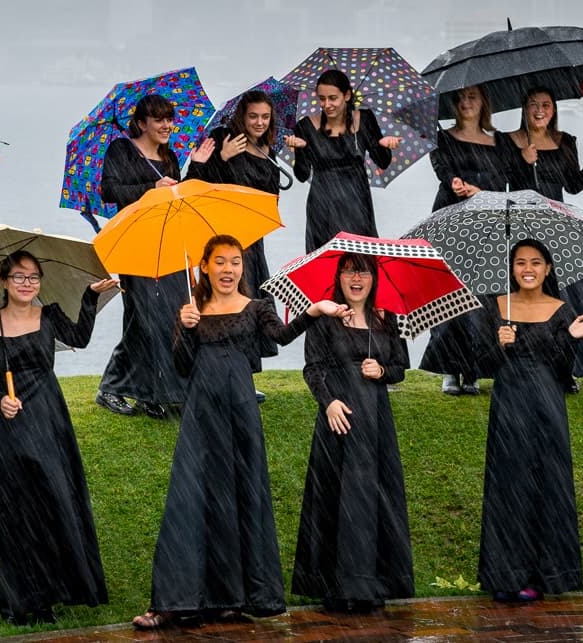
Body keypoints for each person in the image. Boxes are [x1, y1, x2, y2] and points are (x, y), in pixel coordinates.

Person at [133, 235, 346, 629]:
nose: (228, 269)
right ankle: (175, 600)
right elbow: (182, 367)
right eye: (220, 261)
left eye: (235, 261)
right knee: (189, 498)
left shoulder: (256, 307)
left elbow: (281, 336)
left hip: (241, 415)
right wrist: (186, 328)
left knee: (239, 496)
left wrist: (314, 311)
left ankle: (230, 597)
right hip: (201, 416)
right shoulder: (192, 310)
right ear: (204, 267)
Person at [0, 252, 120, 624]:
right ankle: (19, 599)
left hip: (50, 417)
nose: (27, 284)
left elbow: (80, 338)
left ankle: (50, 595)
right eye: (19, 277)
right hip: (13, 421)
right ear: (4, 281)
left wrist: (89, 297)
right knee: (16, 509)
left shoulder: (49, 314)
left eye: (33, 277)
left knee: (52, 501)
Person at [475, 240, 583, 602]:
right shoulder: (496, 305)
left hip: (547, 403)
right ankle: (504, 574)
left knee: (544, 483)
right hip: (508, 402)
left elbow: (563, 370)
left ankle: (540, 574)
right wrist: (499, 344)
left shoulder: (562, 310)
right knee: (508, 483)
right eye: (520, 262)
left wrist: (571, 339)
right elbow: (481, 363)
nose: (527, 269)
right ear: (511, 268)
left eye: (535, 262)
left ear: (548, 269)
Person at [290, 253, 413, 613]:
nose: (356, 279)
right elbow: (312, 368)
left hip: (375, 420)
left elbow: (400, 368)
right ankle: (337, 585)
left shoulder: (387, 319)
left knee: (375, 497)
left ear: (374, 278)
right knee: (337, 496)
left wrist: (382, 372)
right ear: (339, 279)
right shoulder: (326, 319)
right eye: (348, 272)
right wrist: (328, 403)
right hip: (338, 419)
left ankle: (371, 583)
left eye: (362, 272)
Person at [506, 86, 583, 383]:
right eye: (533, 104)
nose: (539, 110)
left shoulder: (565, 141)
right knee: (529, 295)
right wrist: (522, 161)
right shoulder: (509, 141)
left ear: (553, 110)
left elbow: (572, 185)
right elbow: (501, 180)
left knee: (564, 297)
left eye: (545, 105)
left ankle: (567, 368)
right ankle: (526, 362)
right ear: (524, 108)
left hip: (557, 227)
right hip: (523, 225)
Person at [94, 94, 190, 419]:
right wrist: (152, 187)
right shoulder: (121, 149)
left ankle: (156, 391)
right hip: (135, 241)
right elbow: (109, 191)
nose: (167, 125)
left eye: (170, 119)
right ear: (141, 123)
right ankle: (112, 387)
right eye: (159, 119)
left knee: (173, 315)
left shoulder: (169, 155)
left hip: (169, 240)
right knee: (143, 317)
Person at [188, 90, 290, 387]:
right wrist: (223, 157)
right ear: (242, 117)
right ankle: (219, 373)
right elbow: (199, 185)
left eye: (265, 117)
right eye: (253, 116)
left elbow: (272, 198)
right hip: (222, 236)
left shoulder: (268, 151)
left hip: (253, 238)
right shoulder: (223, 138)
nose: (259, 122)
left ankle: (245, 376)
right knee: (224, 302)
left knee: (250, 302)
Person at [421, 85, 517, 396]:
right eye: (460, 98)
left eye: (472, 97)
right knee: (449, 294)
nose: (465, 102)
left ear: (484, 102)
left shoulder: (500, 141)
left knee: (485, 298)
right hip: (450, 219)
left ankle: (475, 368)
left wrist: (482, 192)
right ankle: (449, 368)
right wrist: (454, 182)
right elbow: (442, 168)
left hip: (488, 222)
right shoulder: (443, 138)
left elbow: (507, 178)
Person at [287, 69, 399, 252]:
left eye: (333, 98)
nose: (327, 104)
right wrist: (299, 150)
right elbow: (302, 175)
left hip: (357, 202)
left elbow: (383, 162)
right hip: (322, 204)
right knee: (324, 257)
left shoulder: (364, 119)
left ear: (346, 95)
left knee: (360, 255)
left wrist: (384, 145)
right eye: (322, 99)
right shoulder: (305, 126)